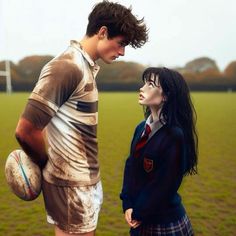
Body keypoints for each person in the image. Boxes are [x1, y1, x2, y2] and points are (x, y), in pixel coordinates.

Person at [15, 1, 148, 235]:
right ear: (103, 32)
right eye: (121, 44)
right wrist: (48, 164)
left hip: (84, 181)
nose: (122, 52)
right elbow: (26, 130)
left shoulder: (85, 66)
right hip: (70, 185)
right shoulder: (67, 67)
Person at [120, 67, 198, 235]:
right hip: (140, 219)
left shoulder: (175, 136)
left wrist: (139, 211)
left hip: (165, 223)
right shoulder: (141, 128)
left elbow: (165, 184)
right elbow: (130, 166)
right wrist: (127, 203)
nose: (142, 88)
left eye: (150, 84)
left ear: (166, 96)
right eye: (143, 83)